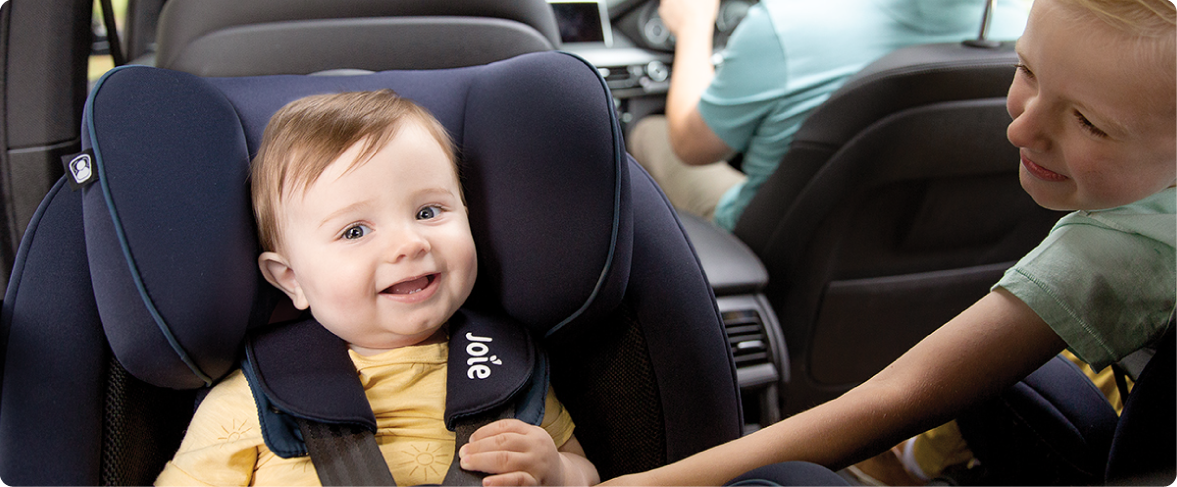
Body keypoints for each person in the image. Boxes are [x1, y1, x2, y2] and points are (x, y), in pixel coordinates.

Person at [603, 0, 1177, 485]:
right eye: (1026, 70)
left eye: (1089, 123)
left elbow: (897, 398)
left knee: (652, 134)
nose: (1017, 131)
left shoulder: (1122, 246)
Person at [155, 90, 600, 487]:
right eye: (354, 231)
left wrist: (558, 473)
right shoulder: (253, 398)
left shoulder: (507, 367)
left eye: (428, 211)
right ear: (292, 279)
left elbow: (586, 472)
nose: (409, 243)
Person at [628, 0, 1029, 230]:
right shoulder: (1031, 27)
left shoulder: (787, 24)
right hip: (927, 261)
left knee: (649, 132)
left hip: (766, 244)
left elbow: (691, 144)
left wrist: (694, 27)